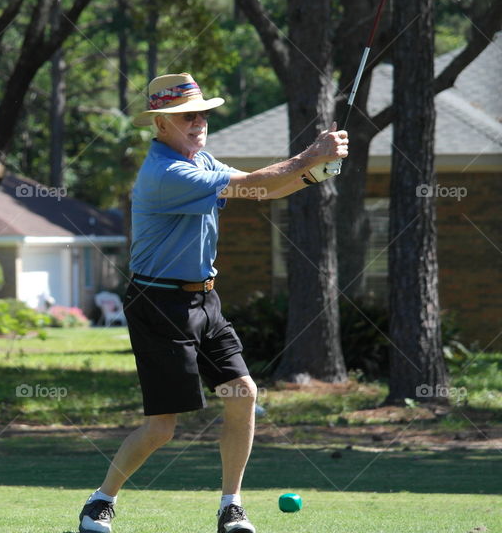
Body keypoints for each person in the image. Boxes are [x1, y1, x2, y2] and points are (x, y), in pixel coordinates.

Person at [77, 73, 348, 533]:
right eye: (187, 116)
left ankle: (231, 507)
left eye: (202, 113)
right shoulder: (167, 173)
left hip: (205, 299)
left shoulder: (198, 159)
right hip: (159, 304)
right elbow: (256, 183)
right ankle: (101, 500)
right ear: (161, 124)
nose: (198, 121)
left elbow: (264, 189)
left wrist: (318, 171)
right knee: (162, 428)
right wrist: (312, 154)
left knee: (243, 394)